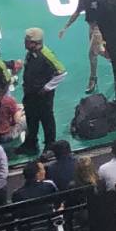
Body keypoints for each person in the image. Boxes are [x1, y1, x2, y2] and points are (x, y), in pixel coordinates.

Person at [18, 26, 66, 156]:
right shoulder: (31, 54)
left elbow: (61, 72)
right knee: (31, 118)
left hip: (42, 96)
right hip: (30, 93)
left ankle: (50, 145)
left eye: (27, 41)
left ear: (35, 43)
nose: (24, 43)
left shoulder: (46, 55)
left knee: (46, 118)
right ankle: (31, 143)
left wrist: (47, 87)